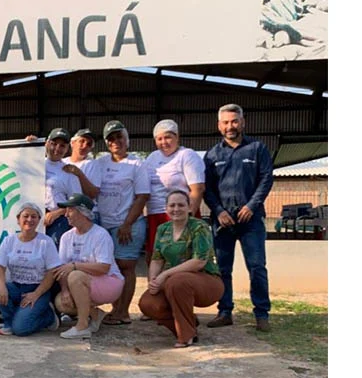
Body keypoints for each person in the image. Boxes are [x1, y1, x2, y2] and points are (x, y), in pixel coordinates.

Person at [203, 104, 274, 332]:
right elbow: (207, 188)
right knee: (223, 269)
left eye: (234, 121)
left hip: (250, 221)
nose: (230, 126)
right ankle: (225, 311)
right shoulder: (212, 155)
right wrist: (218, 211)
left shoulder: (257, 149)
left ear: (242, 122)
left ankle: (261, 314)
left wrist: (252, 205)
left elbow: (266, 179)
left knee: (256, 267)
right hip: (223, 222)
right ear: (219, 125)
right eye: (225, 122)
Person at [139, 190, 223, 348]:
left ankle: (186, 335)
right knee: (148, 303)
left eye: (180, 205)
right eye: (172, 205)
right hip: (172, 281)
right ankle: (188, 325)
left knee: (177, 281)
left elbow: (199, 261)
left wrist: (165, 275)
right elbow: (157, 259)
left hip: (206, 281)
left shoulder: (199, 227)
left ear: (190, 207)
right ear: (166, 208)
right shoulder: (162, 229)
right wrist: (153, 282)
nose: (176, 209)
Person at [94, 120, 149, 326]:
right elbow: (73, 163)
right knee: (111, 268)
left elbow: (142, 196)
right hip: (104, 224)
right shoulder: (100, 163)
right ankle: (114, 309)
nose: (115, 142)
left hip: (127, 224)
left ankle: (123, 311)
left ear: (127, 140)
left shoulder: (137, 164)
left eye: (119, 137)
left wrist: (127, 224)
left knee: (126, 267)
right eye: (111, 139)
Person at [52, 194, 125, 339]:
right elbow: (61, 269)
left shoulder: (100, 235)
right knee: (61, 303)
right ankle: (95, 314)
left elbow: (103, 267)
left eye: (70, 210)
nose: (66, 214)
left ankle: (82, 326)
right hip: (83, 282)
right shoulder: (67, 237)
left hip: (109, 281)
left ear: (82, 212)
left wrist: (75, 266)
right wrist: (65, 290)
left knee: (75, 275)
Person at [0, 203, 62, 337]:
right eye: (25, 216)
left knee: (21, 329)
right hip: (17, 287)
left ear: (39, 220)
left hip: (38, 289)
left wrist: (36, 294)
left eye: (34, 217)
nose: (29, 220)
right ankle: (10, 321)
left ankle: (48, 317)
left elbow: (52, 272)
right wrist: (2, 286)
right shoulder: (9, 240)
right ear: (18, 219)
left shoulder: (46, 242)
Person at [143, 119, 205, 263]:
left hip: (180, 214)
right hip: (155, 215)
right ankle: (155, 285)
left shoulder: (187, 155)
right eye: (159, 138)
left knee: (181, 257)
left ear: (177, 137)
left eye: (168, 137)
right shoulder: (152, 158)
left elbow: (198, 189)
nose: (164, 142)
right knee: (155, 258)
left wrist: (187, 218)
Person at [43, 128, 83, 247]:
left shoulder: (69, 172)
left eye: (62, 146)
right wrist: (29, 143)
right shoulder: (35, 164)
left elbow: (77, 201)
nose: (57, 149)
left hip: (57, 221)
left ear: (67, 149)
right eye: (53, 144)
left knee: (54, 254)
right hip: (33, 218)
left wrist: (56, 213)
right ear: (46, 143)